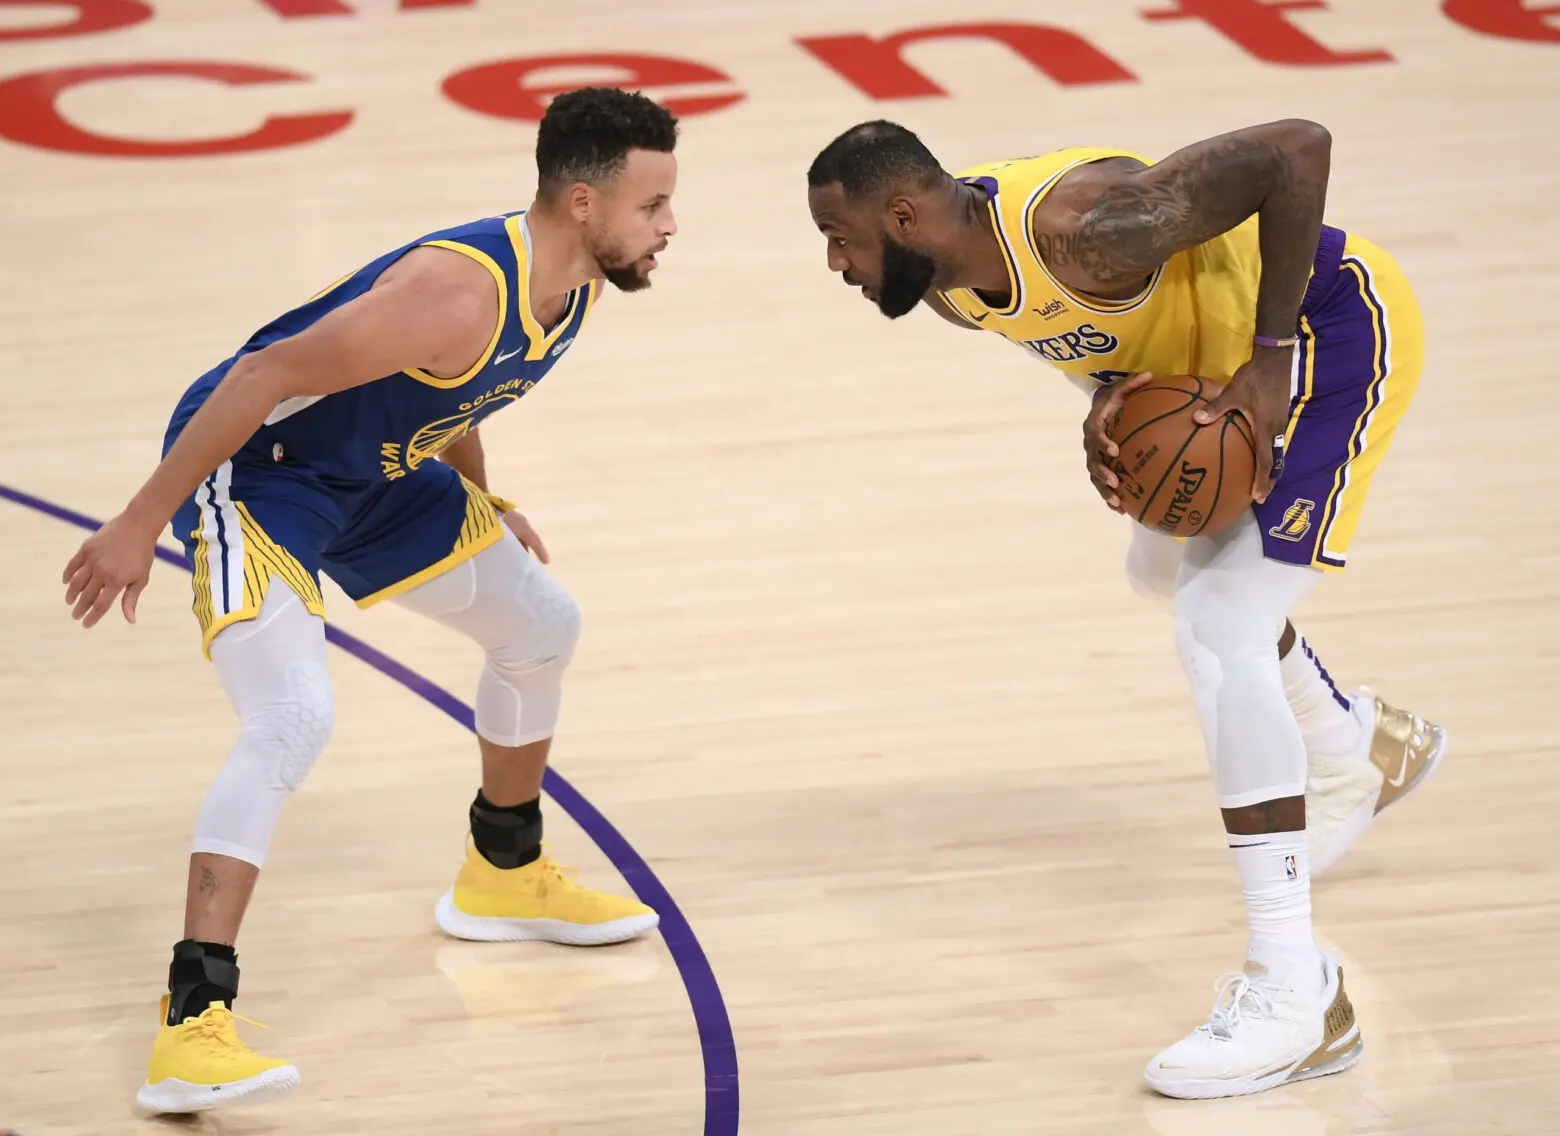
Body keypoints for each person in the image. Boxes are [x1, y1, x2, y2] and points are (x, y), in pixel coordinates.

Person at [60, 85, 679, 1115]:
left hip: (380, 477)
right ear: (582, 201)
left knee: (539, 622)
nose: (669, 225)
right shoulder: (458, 290)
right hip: (258, 475)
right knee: (294, 715)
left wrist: (487, 503)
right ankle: (190, 1025)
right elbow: (260, 375)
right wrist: (135, 524)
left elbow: (464, 395)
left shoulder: (578, 287)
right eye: (653, 204)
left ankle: (503, 869)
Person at [804, 118, 1447, 1099]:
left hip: (1324, 333)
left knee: (1218, 623)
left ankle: (1296, 992)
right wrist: (1108, 400)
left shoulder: (1088, 229)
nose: (836, 262)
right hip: (1210, 383)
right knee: (1162, 576)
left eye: (840, 236)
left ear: (902, 213)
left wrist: (1271, 355)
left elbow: (1296, 150)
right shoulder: (945, 283)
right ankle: (1356, 742)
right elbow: (1092, 338)